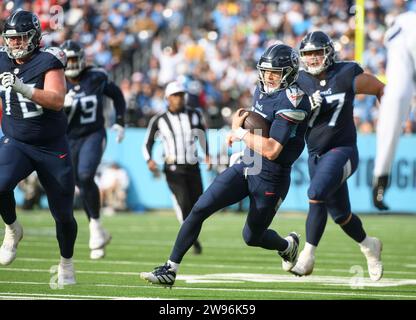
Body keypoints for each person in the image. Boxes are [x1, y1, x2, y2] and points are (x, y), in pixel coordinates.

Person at [140, 43, 311, 286]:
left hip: (272, 176)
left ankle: (287, 246)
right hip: (248, 163)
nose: (268, 77)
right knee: (199, 208)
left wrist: (238, 134)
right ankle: (170, 268)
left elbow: (272, 149)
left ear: (290, 73)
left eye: (275, 73)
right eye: (266, 72)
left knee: (251, 236)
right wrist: (239, 120)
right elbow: (255, 119)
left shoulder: (293, 101)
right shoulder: (262, 89)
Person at [290, 31, 385, 281]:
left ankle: (307, 256)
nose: (311, 59)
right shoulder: (298, 81)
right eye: (307, 54)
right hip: (315, 154)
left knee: (315, 192)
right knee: (341, 215)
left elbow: (379, 89)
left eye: (316, 53)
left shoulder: (345, 74)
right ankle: (369, 244)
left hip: (343, 150)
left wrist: (388, 119)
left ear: (328, 53)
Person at [0, 10, 77, 285]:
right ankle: (12, 228)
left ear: (33, 37)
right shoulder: (1, 59)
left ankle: (66, 262)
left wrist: (23, 88)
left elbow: (57, 100)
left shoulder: (49, 61)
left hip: (51, 146)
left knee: (63, 215)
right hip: (17, 141)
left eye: (20, 38)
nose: (15, 44)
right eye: (11, 39)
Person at [60, 40, 126, 260]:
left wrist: (120, 120)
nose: (70, 64)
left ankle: (95, 227)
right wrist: (58, 101)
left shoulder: (95, 76)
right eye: (66, 59)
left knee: (86, 175)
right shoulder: (55, 79)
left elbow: (116, 94)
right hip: (67, 138)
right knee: (74, 183)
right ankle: (98, 229)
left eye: (73, 59)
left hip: (93, 133)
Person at [142, 80, 211, 255]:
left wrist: (208, 154)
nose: (179, 99)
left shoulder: (194, 114)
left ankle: (191, 234)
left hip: (193, 165)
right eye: (175, 95)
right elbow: (147, 143)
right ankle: (191, 239)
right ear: (167, 98)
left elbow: (202, 136)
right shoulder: (159, 119)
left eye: (181, 95)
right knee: (184, 203)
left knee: (199, 205)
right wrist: (149, 159)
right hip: (173, 168)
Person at [373, 11, 416, 211]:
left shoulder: (403, 20)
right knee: (395, 100)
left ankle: (381, 177)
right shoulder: (406, 21)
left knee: (394, 102)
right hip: (404, 37)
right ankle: (380, 177)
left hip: (402, 32)